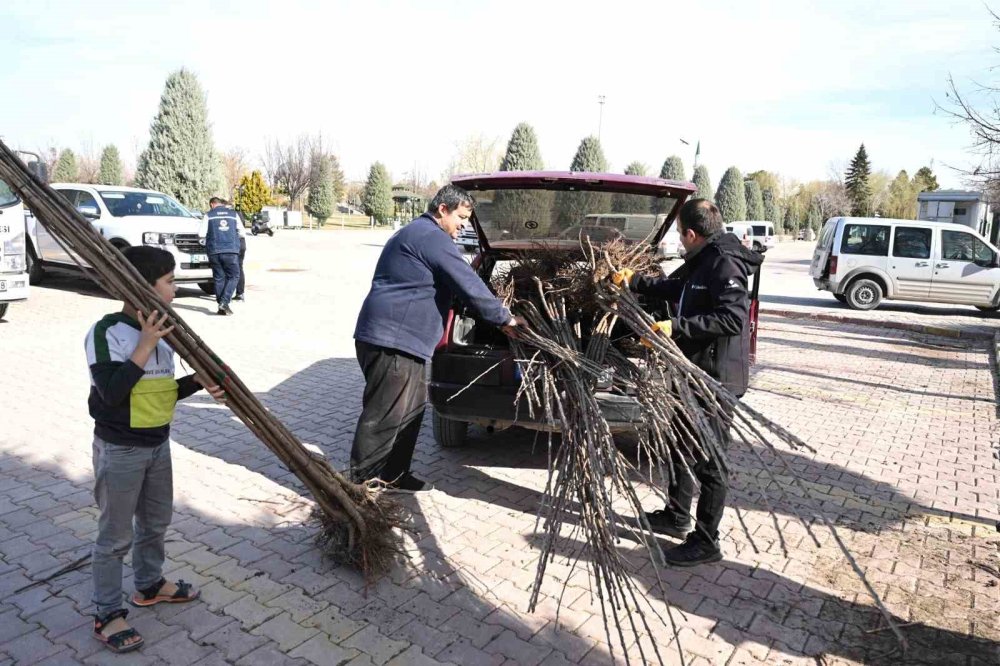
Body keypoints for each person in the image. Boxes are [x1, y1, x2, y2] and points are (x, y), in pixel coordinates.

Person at [85, 247, 226, 653]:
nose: (175, 289)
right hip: (121, 450)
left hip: (157, 445)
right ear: (143, 287)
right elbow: (113, 394)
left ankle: (149, 585)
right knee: (114, 537)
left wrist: (197, 382)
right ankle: (107, 614)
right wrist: (145, 343)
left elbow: (160, 391)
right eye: (169, 281)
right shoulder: (107, 331)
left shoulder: (162, 336)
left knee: (155, 522)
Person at [612, 198, 762, 566]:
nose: (680, 241)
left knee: (710, 459)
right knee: (679, 442)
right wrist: (634, 281)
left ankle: (707, 540)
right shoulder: (699, 260)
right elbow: (672, 289)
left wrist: (674, 328)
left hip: (715, 378)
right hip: (690, 371)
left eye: (681, 235)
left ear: (692, 234)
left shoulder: (725, 263)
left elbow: (731, 319)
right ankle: (677, 515)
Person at [351, 184, 524, 491]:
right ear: (442, 210)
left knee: (410, 411)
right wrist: (504, 318)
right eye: (460, 217)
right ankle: (363, 486)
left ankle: (394, 475)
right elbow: (467, 281)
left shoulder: (419, 233)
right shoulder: (430, 236)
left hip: (401, 341)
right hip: (393, 341)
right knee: (384, 415)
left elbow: (451, 289)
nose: (463, 225)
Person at [199, 197, 241, 315]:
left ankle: (221, 305)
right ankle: (224, 302)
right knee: (234, 276)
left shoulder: (209, 215)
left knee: (219, 277)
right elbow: (242, 232)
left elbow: (201, 234)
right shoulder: (233, 214)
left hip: (214, 251)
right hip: (230, 251)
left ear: (212, 204)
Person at [234, 207, 247, 302]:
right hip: (242, 243)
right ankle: (240, 293)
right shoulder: (238, 213)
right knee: (239, 268)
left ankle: (226, 294)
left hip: (235, 243)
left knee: (231, 269)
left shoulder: (231, 214)